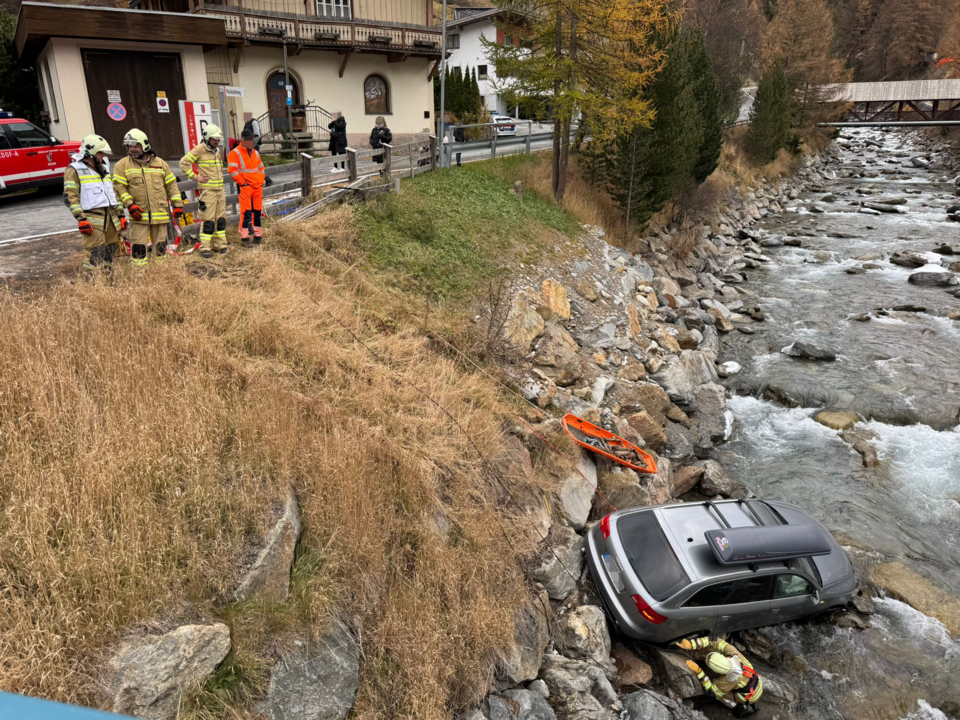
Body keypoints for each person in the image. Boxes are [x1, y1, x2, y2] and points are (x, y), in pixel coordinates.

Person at [112, 128, 184, 267]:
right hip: (139, 215)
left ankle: (160, 274)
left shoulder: (160, 164)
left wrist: (178, 204)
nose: (132, 149)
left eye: (136, 146)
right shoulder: (122, 165)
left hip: (160, 214)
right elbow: (119, 188)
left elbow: (171, 185)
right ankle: (140, 278)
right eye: (129, 146)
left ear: (144, 145)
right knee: (138, 249)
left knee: (161, 248)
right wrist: (130, 205)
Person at [62, 134, 125, 273]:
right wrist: (81, 219)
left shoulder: (104, 168)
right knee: (95, 255)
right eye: (100, 153)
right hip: (92, 221)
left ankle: (108, 284)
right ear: (90, 152)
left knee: (110, 253)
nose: (103, 156)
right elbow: (70, 197)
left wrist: (120, 215)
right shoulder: (73, 169)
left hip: (111, 220)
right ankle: (92, 286)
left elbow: (113, 194)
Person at [677, 636, 763, 717]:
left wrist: (699, 672)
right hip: (758, 684)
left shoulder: (726, 682)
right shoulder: (734, 654)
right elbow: (715, 640)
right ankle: (749, 701)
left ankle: (737, 706)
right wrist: (692, 644)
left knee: (721, 697)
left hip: (748, 696)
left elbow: (711, 691)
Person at [180, 124, 227, 258]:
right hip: (208, 192)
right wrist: (196, 177)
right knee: (208, 220)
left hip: (220, 190)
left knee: (221, 219)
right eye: (214, 139)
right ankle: (205, 247)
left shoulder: (216, 150)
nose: (217, 141)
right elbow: (183, 163)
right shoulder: (199, 149)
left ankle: (220, 244)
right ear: (207, 138)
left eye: (218, 139)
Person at [228, 129, 266, 245]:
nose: (252, 142)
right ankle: (245, 238)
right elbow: (232, 170)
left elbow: (261, 168)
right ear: (243, 140)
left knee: (257, 212)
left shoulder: (255, 153)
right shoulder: (235, 153)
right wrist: (242, 183)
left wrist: (260, 180)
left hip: (257, 187)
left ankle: (258, 236)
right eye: (249, 139)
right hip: (246, 187)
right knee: (246, 213)